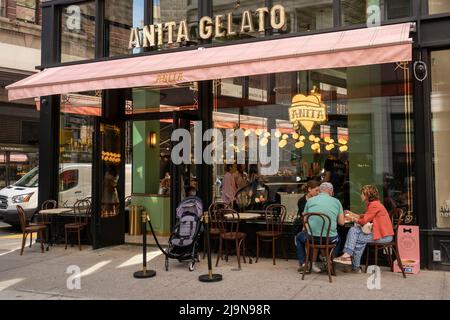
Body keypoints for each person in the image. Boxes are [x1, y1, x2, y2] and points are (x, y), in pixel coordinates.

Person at [334, 185, 395, 273]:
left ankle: (351, 261)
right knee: (354, 232)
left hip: (384, 237)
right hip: (381, 234)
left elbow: (363, 221)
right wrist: (352, 214)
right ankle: (352, 263)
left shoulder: (374, 205)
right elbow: (364, 217)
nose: (361, 195)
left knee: (355, 235)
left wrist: (351, 218)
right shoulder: (374, 204)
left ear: (367, 195)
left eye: (362, 194)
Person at [295, 182, 345, 273]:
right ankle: (330, 262)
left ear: (320, 190)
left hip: (312, 238)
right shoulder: (336, 202)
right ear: (330, 191)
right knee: (338, 240)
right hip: (330, 239)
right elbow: (341, 222)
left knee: (298, 237)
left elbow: (305, 219)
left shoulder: (310, 201)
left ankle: (303, 264)